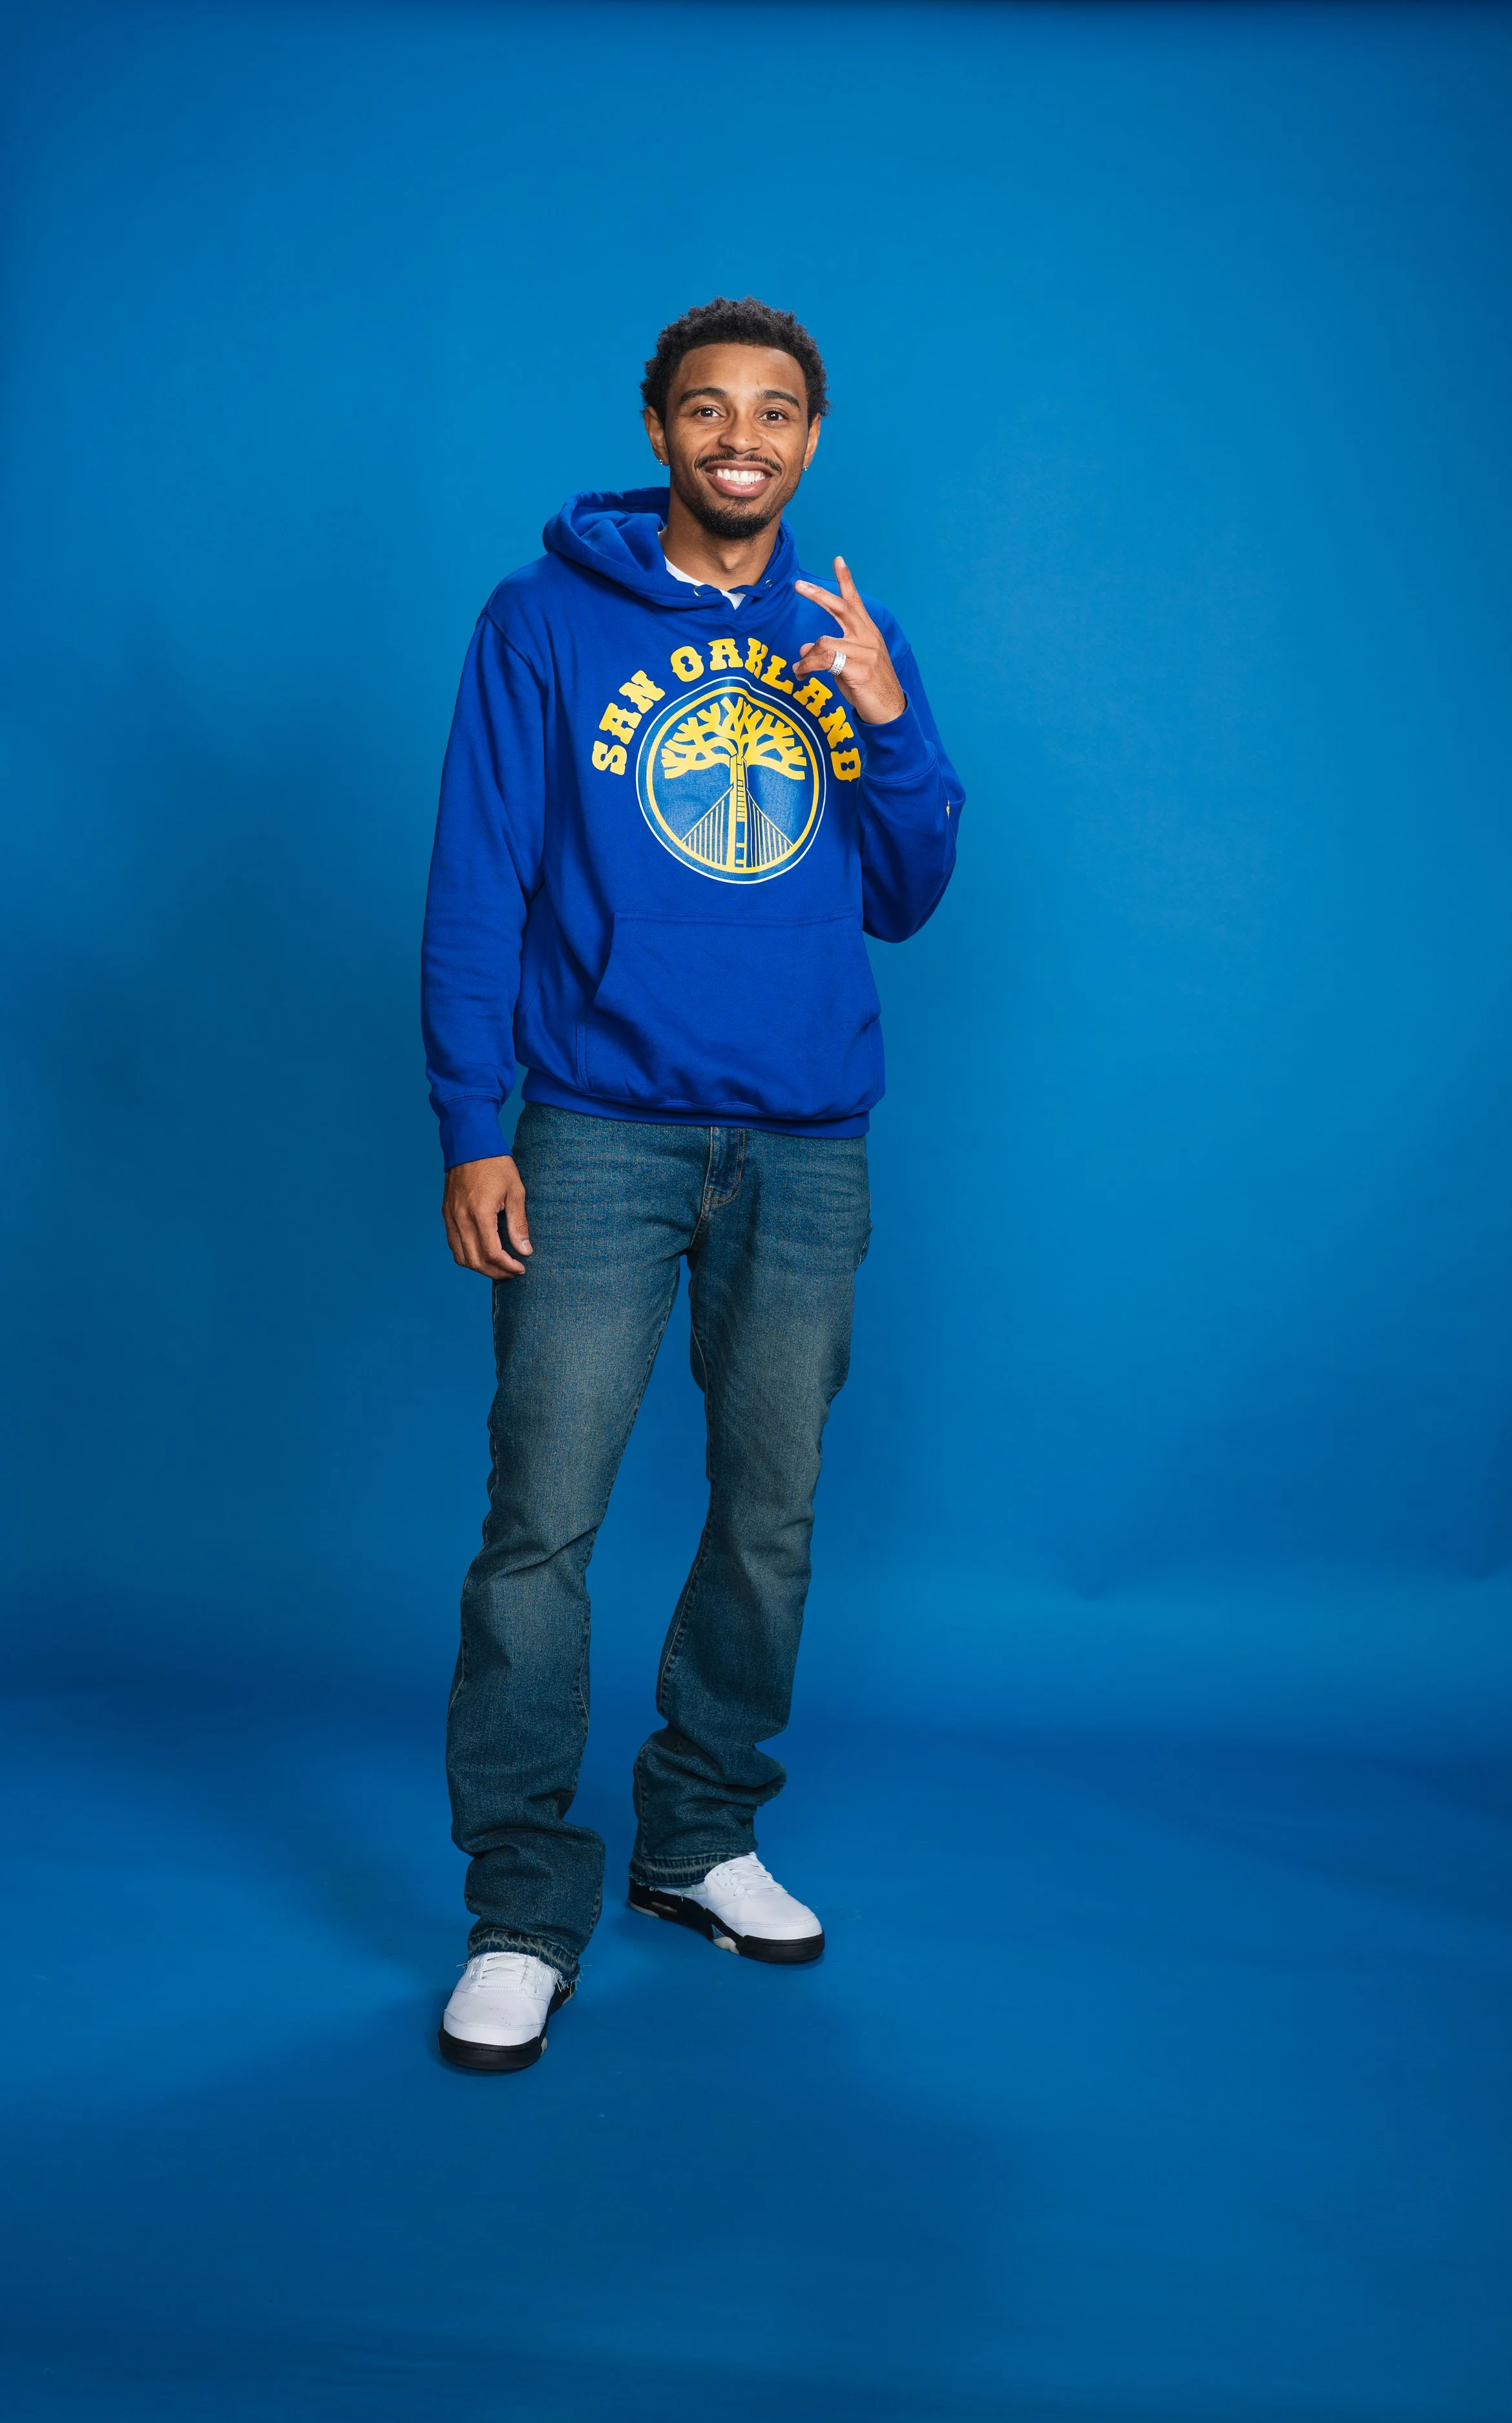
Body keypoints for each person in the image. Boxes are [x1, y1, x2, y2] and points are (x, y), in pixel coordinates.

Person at [422, 296, 963, 2072]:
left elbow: (904, 890)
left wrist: (885, 718)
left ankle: (697, 1834)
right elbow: (476, 881)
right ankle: (519, 1902)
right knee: (541, 1525)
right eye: (711, 408)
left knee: (768, 1514)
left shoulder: (837, 634)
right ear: (659, 426)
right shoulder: (541, 624)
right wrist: (471, 1122)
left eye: (780, 412)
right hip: (593, 1131)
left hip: (807, 1142)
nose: (746, 436)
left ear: (809, 441)